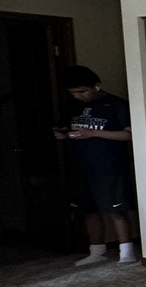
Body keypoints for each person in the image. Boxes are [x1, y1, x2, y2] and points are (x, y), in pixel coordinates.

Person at [53, 65, 138, 266]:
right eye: (74, 92)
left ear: (96, 86)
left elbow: (129, 134)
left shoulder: (116, 105)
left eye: (82, 91)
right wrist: (61, 134)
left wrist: (93, 133)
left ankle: (127, 252)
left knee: (116, 209)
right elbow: (64, 127)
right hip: (82, 165)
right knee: (88, 210)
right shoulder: (72, 106)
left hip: (110, 165)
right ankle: (97, 250)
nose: (78, 96)